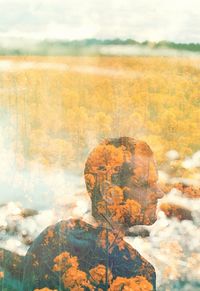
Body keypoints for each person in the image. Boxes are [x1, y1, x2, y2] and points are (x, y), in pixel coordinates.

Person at [1, 137, 164, 291]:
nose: (159, 193)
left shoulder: (49, 239)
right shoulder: (135, 271)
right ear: (108, 193)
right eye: (145, 185)